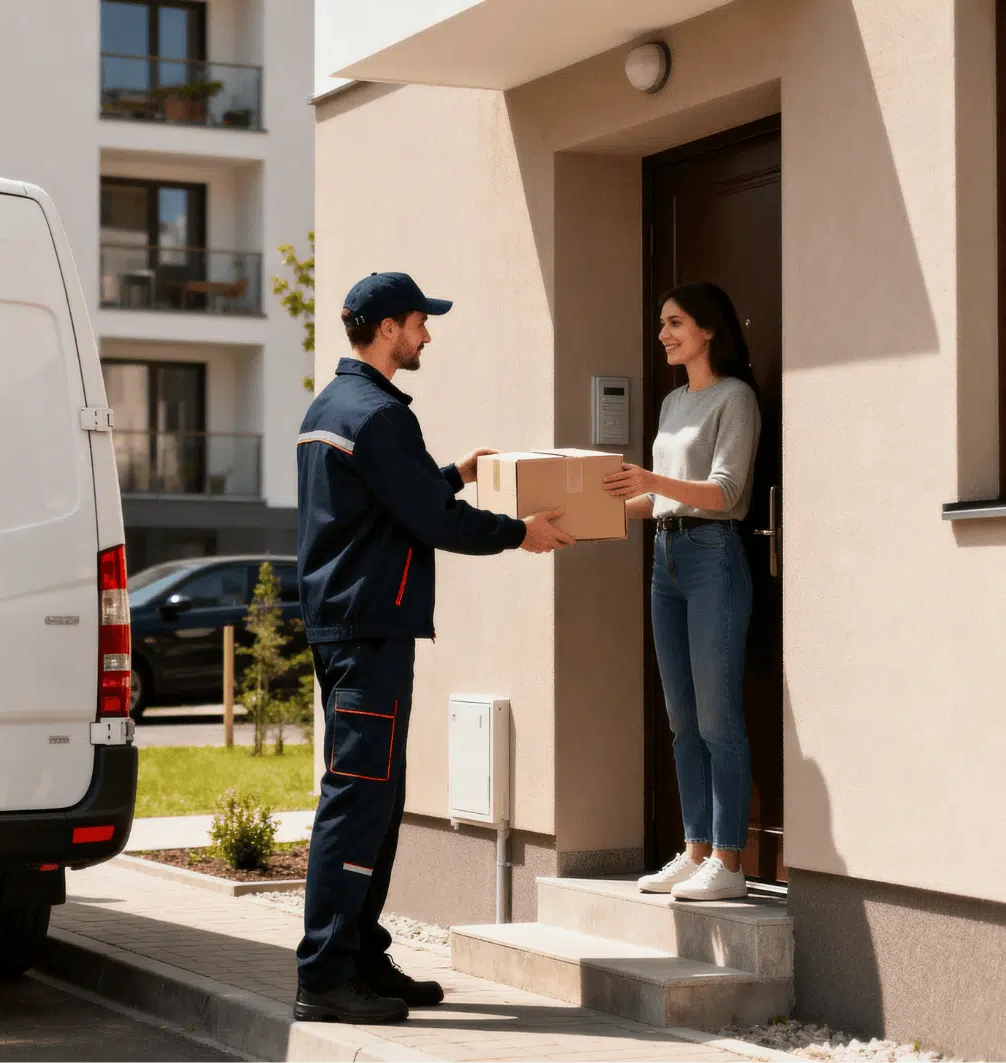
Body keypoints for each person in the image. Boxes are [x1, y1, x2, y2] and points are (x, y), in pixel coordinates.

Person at [292, 272, 575, 1025]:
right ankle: (325, 973)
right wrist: (522, 532)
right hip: (369, 632)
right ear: (387, 328)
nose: (427, 335)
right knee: (358, 800)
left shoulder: (334, 407)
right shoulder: (380, 415)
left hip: (348, 625)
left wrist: (457, 472)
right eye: (420, 322)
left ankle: (358, 952)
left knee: (375, 799)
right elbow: (431, 519)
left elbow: (391, 501)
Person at [603, 281, 762, 903]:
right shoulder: (673, 404)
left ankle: (730, 858)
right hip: (666, 558)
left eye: (675, 323)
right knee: (681, 718)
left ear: (708, 329)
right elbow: (660, 497)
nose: (664, 333)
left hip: (713, 558)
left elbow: (724, 493)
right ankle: (695, 848)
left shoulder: (735, 398)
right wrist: (597, 518)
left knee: (720, 716)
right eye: (662, 323)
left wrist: (650, 478)